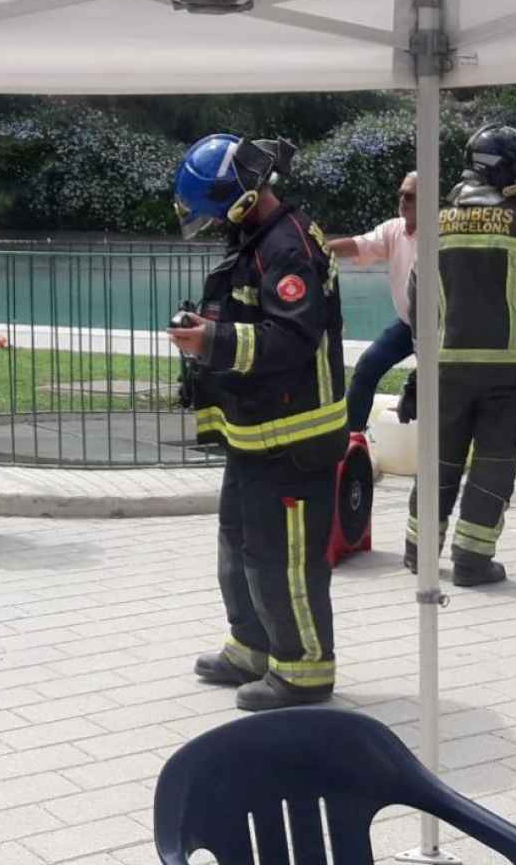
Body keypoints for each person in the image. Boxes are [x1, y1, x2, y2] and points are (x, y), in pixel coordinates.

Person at [170, 134, 345, 711]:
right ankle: (252, 646)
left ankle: (303, 673)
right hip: (258, 434)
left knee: (285, 559)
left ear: (240, 196)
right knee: (240, 545)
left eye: (214, 208)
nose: (213, 221)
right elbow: (251, 313)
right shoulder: (258, 239)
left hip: (294, 438)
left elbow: (292, 340)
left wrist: (213, 340)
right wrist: (208, 327)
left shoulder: (289, 246)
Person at [396, 124, 516, 588]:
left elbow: (418, 300)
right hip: (508, 372)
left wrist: (425, 356)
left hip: (446, 369)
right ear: (504, 170)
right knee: (493, 466)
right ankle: (472, 562)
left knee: (440, 462)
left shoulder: (437, 224)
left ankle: (420, 552)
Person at [322, 172, 418, 434]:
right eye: (401, 194)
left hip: (439, 331)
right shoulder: (393, 229)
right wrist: (319, 248)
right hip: (408, 324)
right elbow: (358, 245)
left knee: (434, 391)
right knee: (366, 368)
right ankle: (353, 439)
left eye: (409, 196)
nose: (403, 200)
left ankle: (438, 462)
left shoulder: (439, 234)